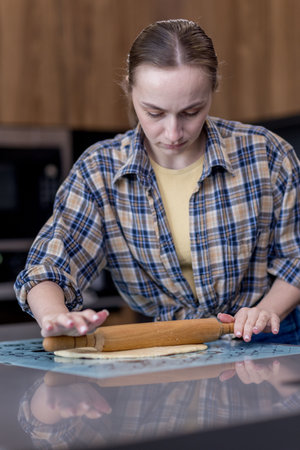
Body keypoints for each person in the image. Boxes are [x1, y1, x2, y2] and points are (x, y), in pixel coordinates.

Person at [14, 19, 300, 344]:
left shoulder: (267, 154)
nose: (174, 133)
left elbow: (297, 257)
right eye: (154, 113)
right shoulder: (100, 171)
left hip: (271, 340)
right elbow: (49, 265)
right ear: (129, 90)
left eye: (192, 112)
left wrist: (264, 311)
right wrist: (55, 315)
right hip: (170, 346)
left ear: (213, 89)